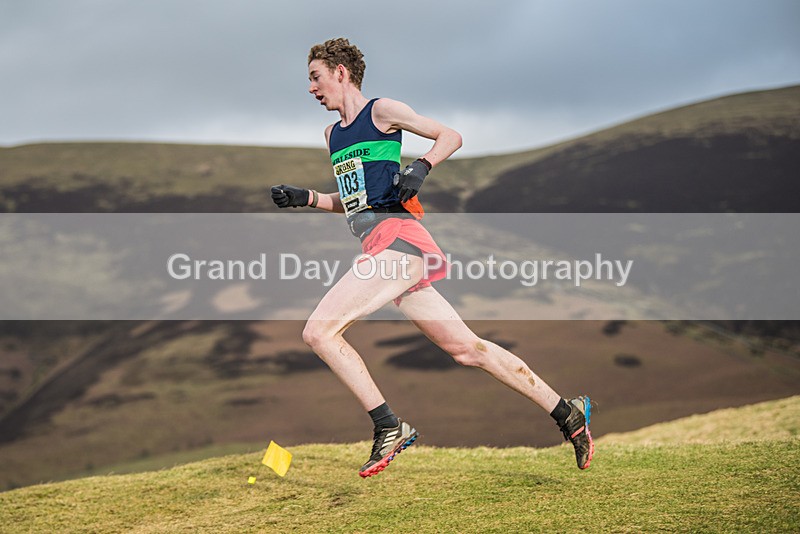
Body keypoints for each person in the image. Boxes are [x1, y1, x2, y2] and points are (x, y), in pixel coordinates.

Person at [271, 37, 593, 478]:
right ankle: (567, 413)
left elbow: (451, 135)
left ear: (340, 72)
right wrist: (304, 198)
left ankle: (388, 426)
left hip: (400, 243)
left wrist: (421, 166)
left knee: (318, 332)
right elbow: (353, 203)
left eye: (315, 77)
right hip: (383, 247)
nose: (311, 88)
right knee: (468, 349)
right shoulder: (333, 135)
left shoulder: (380, 111)